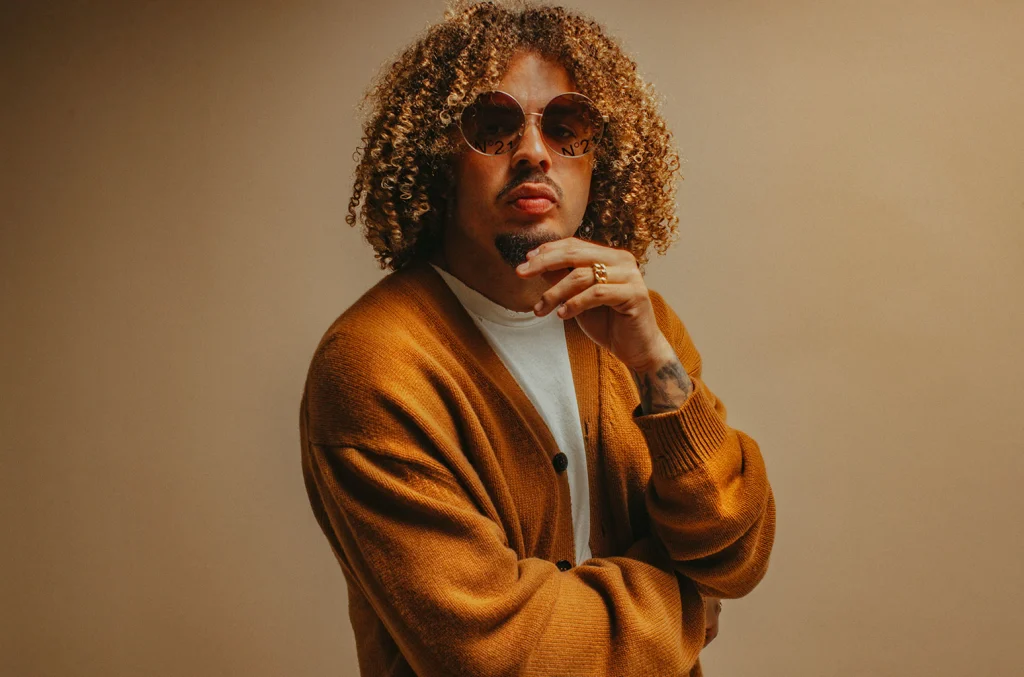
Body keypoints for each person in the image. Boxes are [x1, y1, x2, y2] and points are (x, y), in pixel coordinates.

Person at [298, 2, 775, 675]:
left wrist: (653, 363)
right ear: (438, 158)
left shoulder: (640, 325)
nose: (533, 151)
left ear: (600, 160)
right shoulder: (376, 364)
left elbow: (736, 552)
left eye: (566, 126)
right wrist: (686, 606)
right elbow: (501, 655)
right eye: (492, 127)